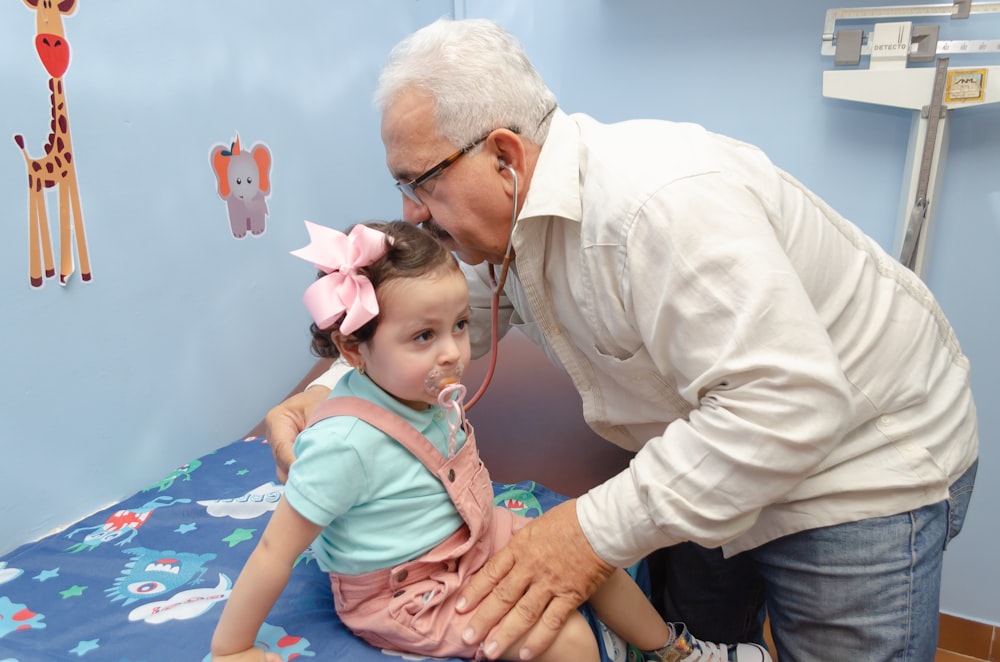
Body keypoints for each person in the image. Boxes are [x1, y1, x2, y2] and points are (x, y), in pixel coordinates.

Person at [264, 18, 980, 662]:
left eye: (419, 182)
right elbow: (437, 324)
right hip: (715, 449)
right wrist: (331, 395)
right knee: (695, 641)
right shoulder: (511, 228)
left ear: (506, 157)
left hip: (857, 467)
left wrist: (586, 532)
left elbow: (787, 405)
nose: (410, 214)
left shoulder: (659, 209)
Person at [212, 220, 770, 662]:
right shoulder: (342, 445)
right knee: (569, 641)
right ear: (354, 351)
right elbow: (273, 551)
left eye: (458, 326)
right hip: (408, 592)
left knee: (593, 548)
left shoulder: (430, 397)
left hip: (471, 540)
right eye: (423, 336)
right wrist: (231, 647)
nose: (453, 352)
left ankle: (674, 653)